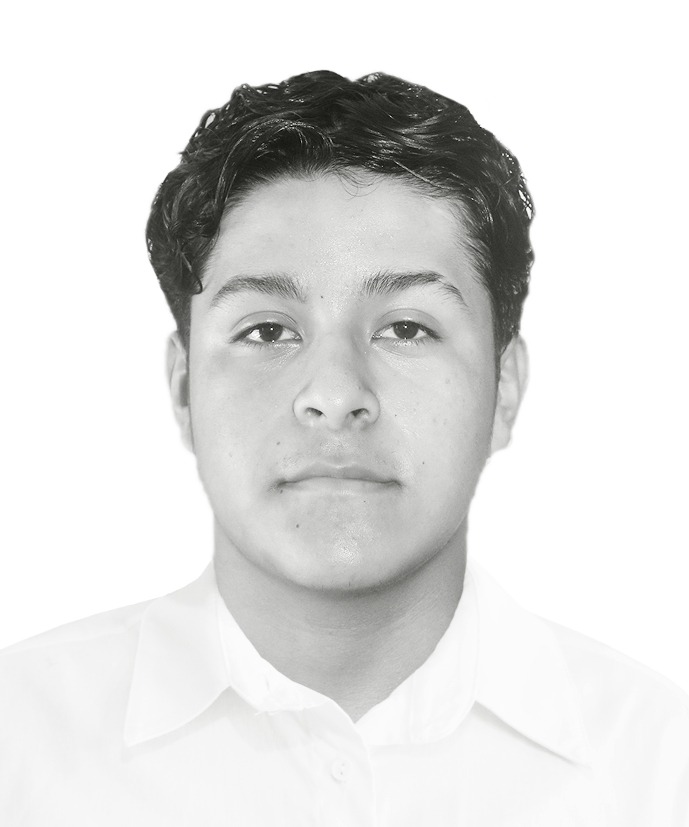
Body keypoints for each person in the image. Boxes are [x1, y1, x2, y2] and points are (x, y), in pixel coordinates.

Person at [1, 70, 687, 826]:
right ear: (185, 388)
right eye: (267, 330)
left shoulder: (659, 768)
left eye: (407, 328)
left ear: (505, 387)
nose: (334, 393)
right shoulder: (20, 747)